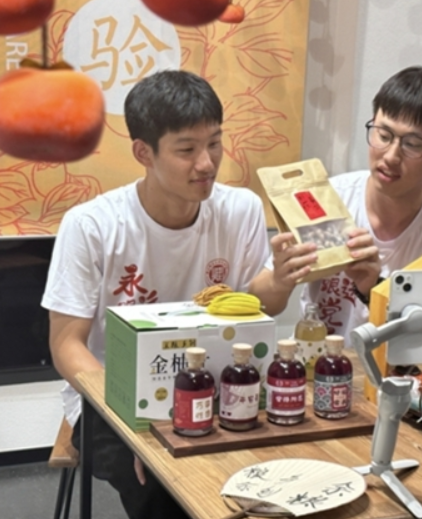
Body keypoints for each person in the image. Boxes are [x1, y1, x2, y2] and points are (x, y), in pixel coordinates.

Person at [41, 70, 270, 519]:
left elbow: (259, 304)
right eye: (186, 150)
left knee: (265, 473)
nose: (206, 163)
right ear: (143, 152)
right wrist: (137, 427)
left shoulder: (241, 209)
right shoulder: (92, 225)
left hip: (212, 383)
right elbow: (66, 344)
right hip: (113, 395)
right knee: (166, 489)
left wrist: (283, 278)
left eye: (215, 143)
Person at [255, 66, 422, 340]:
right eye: (384, 135)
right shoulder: (329, 198)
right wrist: (280, 280)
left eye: (412, 144)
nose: (390, 156)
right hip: (317, 361)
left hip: (404, 367)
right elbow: (261, 304)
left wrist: (374, 289)